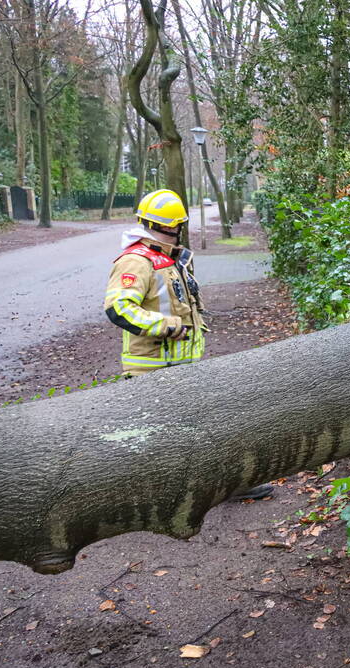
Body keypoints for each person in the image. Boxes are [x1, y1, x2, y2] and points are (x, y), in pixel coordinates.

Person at [104, 189, 273, 502]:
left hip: (180, 366)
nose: (177, 231)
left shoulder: (169, 258)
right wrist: (169, 328)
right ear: (170, 226)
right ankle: (155, 499)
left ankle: (228, 485)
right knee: (164, 440)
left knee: (209, 425)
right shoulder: (136, 262)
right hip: (151, 370)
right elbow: (119, 308)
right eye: (175, 226)